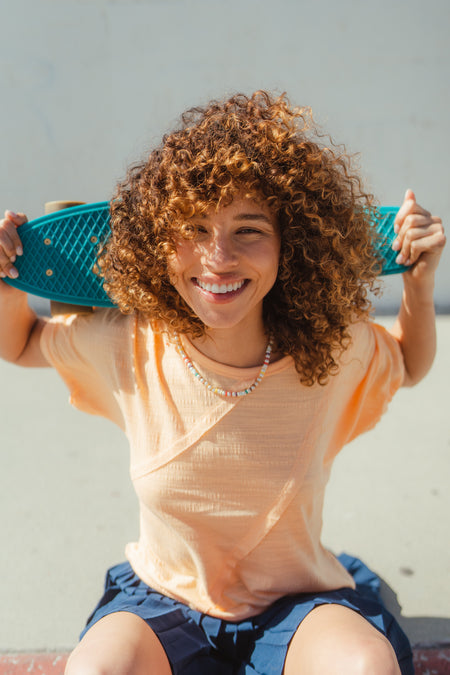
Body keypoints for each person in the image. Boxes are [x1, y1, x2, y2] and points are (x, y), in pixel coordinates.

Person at [0, 91, 445, 675]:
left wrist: (419, 281)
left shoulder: (326, 351)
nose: (219, 257)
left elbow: (408, 362)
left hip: (297, 603)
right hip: (164, 601)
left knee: (366, 667)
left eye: (249, 229)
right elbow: (23, 343)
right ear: (160, 242)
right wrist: (5, 276)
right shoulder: (133, 342)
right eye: (195, 226)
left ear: (294, 246)